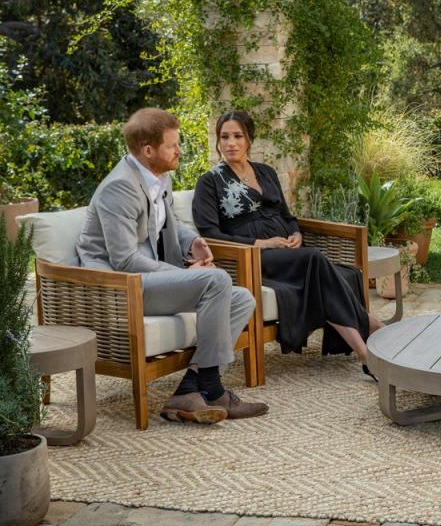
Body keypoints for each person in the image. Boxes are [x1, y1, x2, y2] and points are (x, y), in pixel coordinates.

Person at [76, 108, 267, 424]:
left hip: (144, 279)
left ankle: (189, 389)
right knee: (216, 280)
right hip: (120, 287)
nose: (180, 151)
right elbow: (124, 260)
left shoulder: (158, 175)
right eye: (173, 145)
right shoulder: (119, 188)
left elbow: (171, 222)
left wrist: (193, 242)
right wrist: (183, 274)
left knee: (242, 298)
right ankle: (213, 389)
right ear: (148, 150)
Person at [191, 112, 384, 377]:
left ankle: (368, 352)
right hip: (252, 258)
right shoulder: (210, 182)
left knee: (327, 269)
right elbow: (209, 233)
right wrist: (261, 243)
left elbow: (286, 216)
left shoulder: (266, 172)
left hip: (287, 252)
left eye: (238, 136)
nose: (231, 143)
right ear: (218, 140)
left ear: (249, 139)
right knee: (314, 259)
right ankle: (370, 342)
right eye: (224, 137)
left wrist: (296, 234)